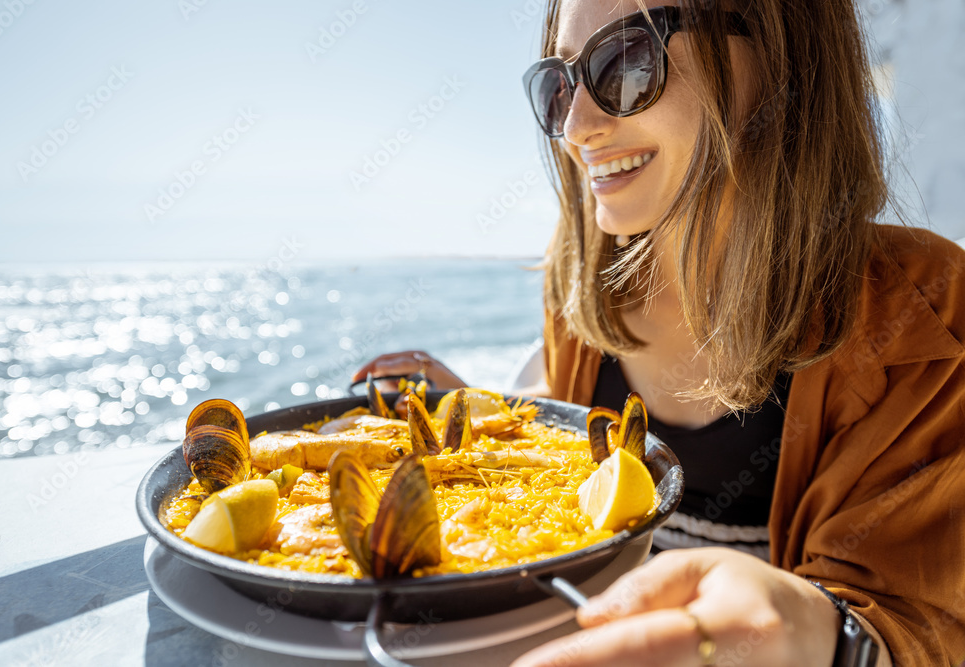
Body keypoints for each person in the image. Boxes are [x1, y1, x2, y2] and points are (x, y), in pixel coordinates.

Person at [354, 0, 965, 663]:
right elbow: (585, 501)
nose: (576, 127)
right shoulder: (583, 287)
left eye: (625, 61)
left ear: (781, 50)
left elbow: (921, 623)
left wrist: (818, 633)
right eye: (558, 88)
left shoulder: (926, 311)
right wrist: (495, 427)